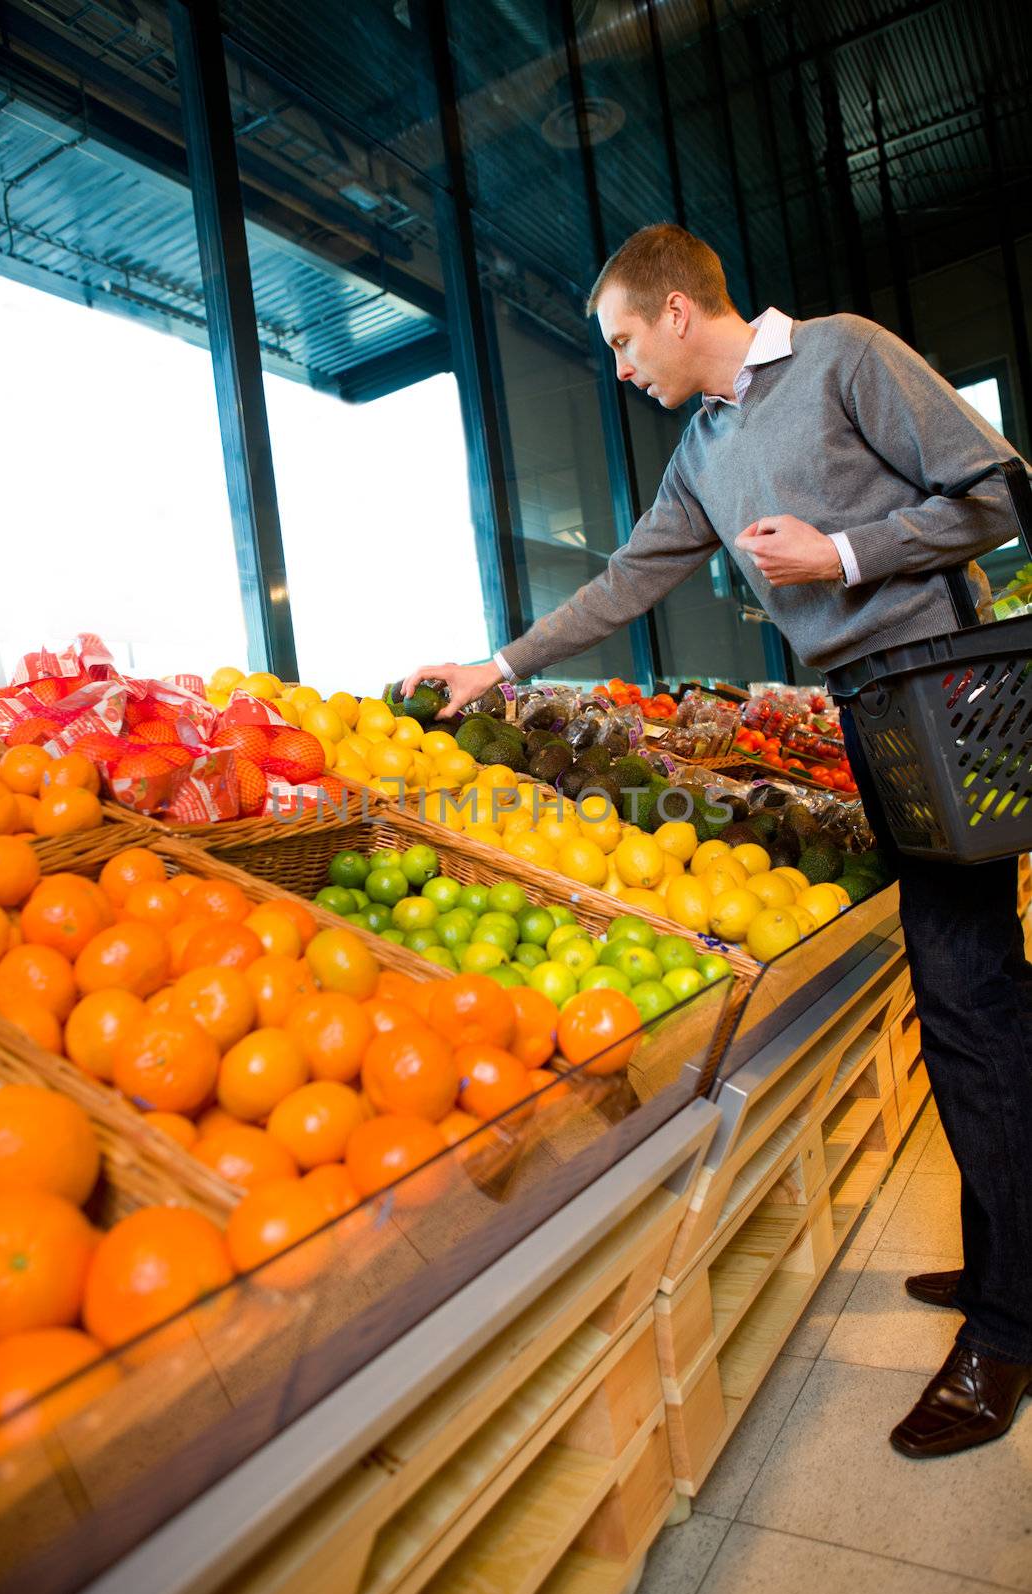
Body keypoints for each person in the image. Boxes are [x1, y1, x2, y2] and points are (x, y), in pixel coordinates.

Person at [404, 223, 1032, 1457]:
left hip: (947, 700)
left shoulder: (843, 356)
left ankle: (1006, 1328)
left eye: (626, 340)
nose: (622, 367)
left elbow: (999, 490)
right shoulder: (702, 451)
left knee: (970, 1002)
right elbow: (628, 577)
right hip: (870, 719)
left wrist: (838, 550)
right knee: (976, 995)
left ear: (678, 310)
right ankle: (1008, 1260)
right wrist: (498, 663)